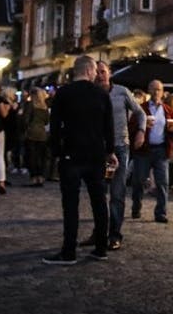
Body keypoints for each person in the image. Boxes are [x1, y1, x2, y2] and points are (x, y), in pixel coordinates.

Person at [44, 55, 116, 264]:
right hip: (95, 155)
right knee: (99, 201)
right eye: (95, 71)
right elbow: (108, 127)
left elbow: (55, 125)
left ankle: (69, 251)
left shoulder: (64, 93)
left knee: (71, 204)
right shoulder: (101, 95)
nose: (96, 74)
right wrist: (109, 151)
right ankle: (101, 248)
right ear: (89, 70)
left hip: (71, 155)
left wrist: (57, 152)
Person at [95, 61, 144, 250]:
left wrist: (141, 131)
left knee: (117, 193)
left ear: (110, 73)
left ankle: (114, 234)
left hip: (120, 147)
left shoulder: (122, 91)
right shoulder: (92, 93)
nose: (100, 75)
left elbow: (139, 113)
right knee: (98, 194)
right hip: (98, 150)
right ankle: (99, 232)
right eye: (97, 72)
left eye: (103, 72)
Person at [131, 80, 173, 223]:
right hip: (144, 151)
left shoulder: (167, 110)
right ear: (149, 91)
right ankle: (136, 206)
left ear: (163, 91)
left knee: (162, 183)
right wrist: (142, 126)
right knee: (138, 181)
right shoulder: (141, 109)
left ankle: (161, 213)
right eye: (153, 89)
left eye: (158, 89)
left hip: (161, 150)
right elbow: (131, 127)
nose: (156, 92)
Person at [23, 88, 50, 187]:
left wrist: (26, 128)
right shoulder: (44, 107)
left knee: (32, 156)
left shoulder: (31, 105)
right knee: (41, 157)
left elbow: (25, 119)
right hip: (42, 134)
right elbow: (47, 121)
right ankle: (41, 177)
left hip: (32, 133)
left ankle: (34, 177)